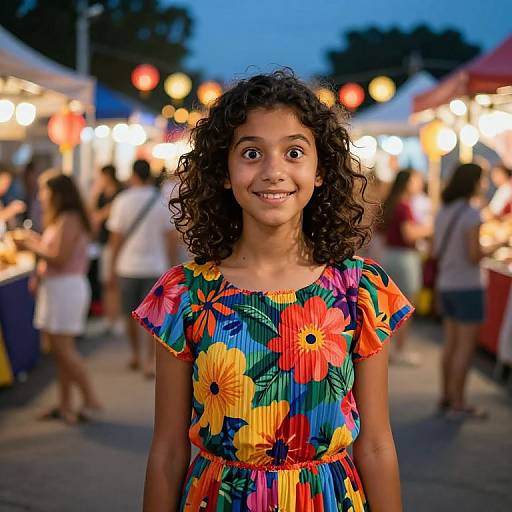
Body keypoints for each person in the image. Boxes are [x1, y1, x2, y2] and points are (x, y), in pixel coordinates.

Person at [133, 71, 414, 511]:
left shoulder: (358, 290)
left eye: (294, 152)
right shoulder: (184, 294)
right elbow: (168, 451)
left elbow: (376, 445)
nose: (273, 171)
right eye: (250, 153)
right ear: (223, 172)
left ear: (320, 171)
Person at [14, 170, 102, 424]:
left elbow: (60, 258)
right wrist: (37, 245)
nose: (41, 196)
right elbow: (55, 252)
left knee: (63, 349)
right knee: (58, 350)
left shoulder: (69, 218)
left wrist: (30, 245)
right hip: (57, 287)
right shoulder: (63, 218)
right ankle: (65, 404)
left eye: (45, 191)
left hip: (65, 288)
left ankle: (89, 397)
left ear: (57, 193)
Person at [435, 162, 507, 419]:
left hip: (446, 283)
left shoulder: (444, 210)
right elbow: (475, 254)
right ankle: (459, 401)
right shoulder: (471, 214)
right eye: (483, 179)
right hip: (468, 285)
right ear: (473, 182)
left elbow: (436, 248)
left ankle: (445, 395)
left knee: (450, 345)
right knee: (465, 348)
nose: (485, 184)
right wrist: (498, 243)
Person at [107, 159, 176, 378]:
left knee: (129, 314)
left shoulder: (122, 200)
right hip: (156, 267)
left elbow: (115, 238)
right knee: (154, 319)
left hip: (127, 267)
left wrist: (111, 266)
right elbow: (170, 238)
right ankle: (149, 361)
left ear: (133, 175)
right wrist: (173, 269)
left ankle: (135, 355)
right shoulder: (161, 202)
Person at [380, 169, 432, 366]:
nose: (419, 183)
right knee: (404, 307)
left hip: (390, 255)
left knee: (389, 307)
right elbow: (409, 234)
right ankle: (399, 350)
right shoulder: (404, 205)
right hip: (404, 257)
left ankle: (387, 349)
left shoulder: (393, 203)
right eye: (416, 179)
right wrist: (429, 229)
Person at [90, 164, 123, 334]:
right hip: (103, 242)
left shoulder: (120, 193)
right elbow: (92, 214)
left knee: (113, 282)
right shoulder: (102, 194)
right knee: (105, 282)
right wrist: (95, 193)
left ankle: (116, 318)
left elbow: (100, 216)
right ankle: (109, 317)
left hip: (115, 243)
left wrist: (100, 215)